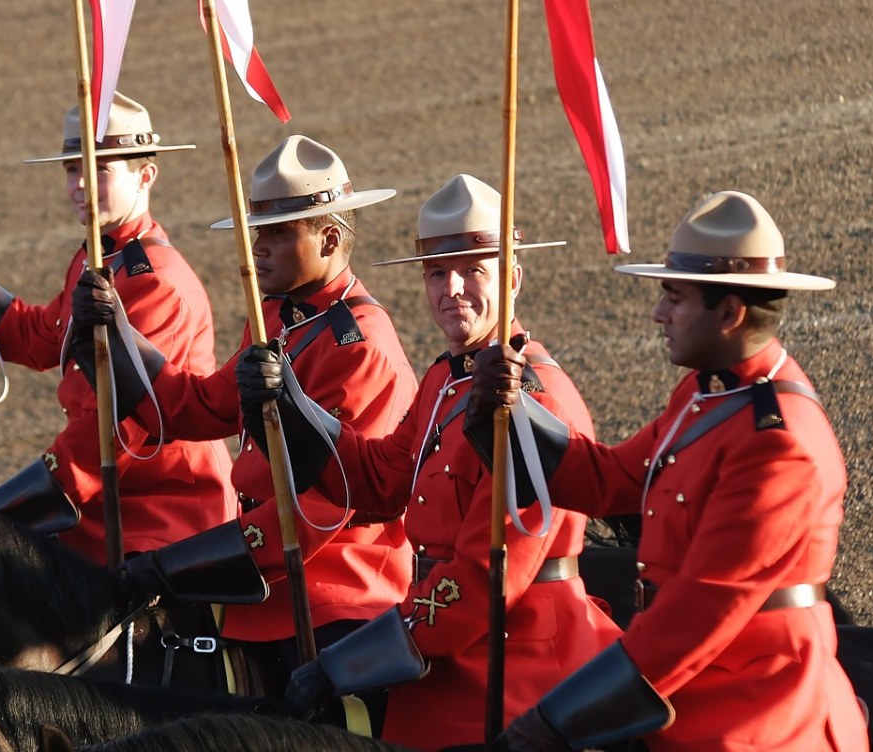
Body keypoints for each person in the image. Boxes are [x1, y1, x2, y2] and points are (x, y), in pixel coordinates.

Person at [236, 173, 622, 750]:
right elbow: (375, 479)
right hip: (444, 657)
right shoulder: (446, 377)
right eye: (437, 273)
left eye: (473, 270)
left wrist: (343, 664)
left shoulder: (532, 398)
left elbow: (485, 581)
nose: (452, 290)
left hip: (518, 666)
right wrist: (290, 407)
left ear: (513, 277)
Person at [475, 191, 869, 751]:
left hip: (760, 718)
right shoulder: (703, 393)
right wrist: (509, 408)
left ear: (730, 313)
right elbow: (610, 481)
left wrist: (555, 721)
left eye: (674, 298)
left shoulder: (779, 443)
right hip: (683, 697)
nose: (658, 313)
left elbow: (697, 613)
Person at [70, 134, 419, 708]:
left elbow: (319, 515)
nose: (257, 247)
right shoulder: (278, 318)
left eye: (277, 233)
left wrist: (170, 566)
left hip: (334, 592)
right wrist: (113, 334)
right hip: (263, 582)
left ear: (329, 238)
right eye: (256, 231)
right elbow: (196, 406)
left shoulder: (360, 347)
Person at [0, 93, 236, 565]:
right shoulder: (96, 260)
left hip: (161, 508)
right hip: (105, 496)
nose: (81, 183)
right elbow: (42, 336)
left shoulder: (154, 281)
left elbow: (119, 425)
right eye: (71, 169)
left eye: (99, 168)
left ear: (146, 176)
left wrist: (16, 506)